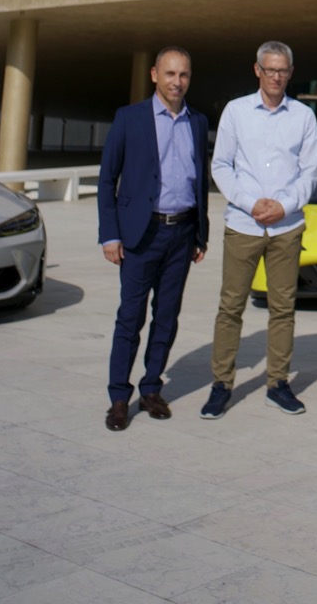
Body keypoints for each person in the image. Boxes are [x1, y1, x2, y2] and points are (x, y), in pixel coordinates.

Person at [204, 40, 317, 419]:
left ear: (290, 73)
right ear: (257, 70)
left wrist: (283, 206)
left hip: (287, 227)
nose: (276, 77)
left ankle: (277, 383)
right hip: (243, 224)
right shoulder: (236, 111)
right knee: (230, 307)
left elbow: (310, 173)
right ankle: (222, 384)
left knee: (283, 309)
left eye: (282, 70)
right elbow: (221, 166)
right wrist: (250, 202)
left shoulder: (304, 116)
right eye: (270, 69)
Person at [98, 47, 210, 431]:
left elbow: (199, 180)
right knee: (130, 318)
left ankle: (150, 389)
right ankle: (118, 397)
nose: (177, 82)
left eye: (184, 75)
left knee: (166, 316)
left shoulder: (198, 122)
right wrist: (110, 235)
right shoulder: (129, 118)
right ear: (154, 75)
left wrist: (200, 233)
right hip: (140, 235)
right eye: (170, 74)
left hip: (182, 233)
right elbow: (107, 179)